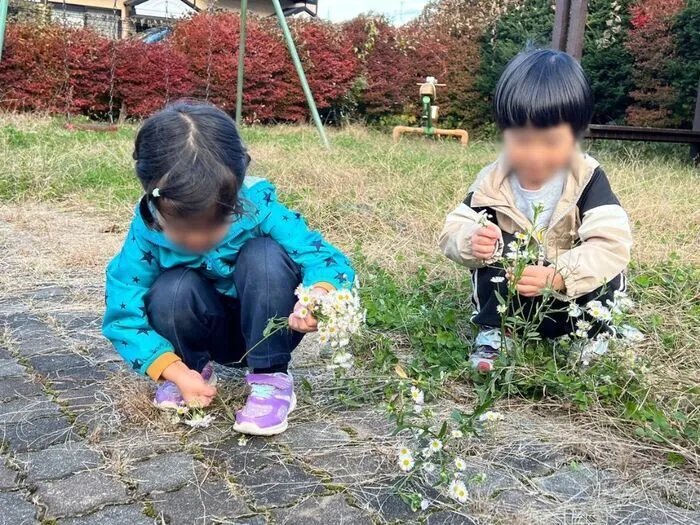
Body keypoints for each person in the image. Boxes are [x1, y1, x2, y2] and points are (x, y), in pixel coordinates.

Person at [102, 102, 355, 435]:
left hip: (270, 325)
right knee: (170, 288)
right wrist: (174, 371)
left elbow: (327, 259)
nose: (198, 239)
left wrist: (318, 295)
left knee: (264, 254)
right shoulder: (147, 235)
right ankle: (194, 370)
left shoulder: (261, 209)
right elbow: (123, 312)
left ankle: (271, 379)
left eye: (213, 224)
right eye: (182, 228)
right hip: (206, 333)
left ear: (236, 190)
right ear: (156, 199)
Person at [438, 49, 632, 372]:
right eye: (522, 141)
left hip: (571, 300)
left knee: (605, 271)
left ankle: (592, 336)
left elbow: (613, 244)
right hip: (515, 300)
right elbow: (453, 228)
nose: (535, 156)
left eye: (551, 142)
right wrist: (470, 240)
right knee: (495, 251)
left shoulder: (587, 179)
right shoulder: (493, 181)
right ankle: (498, 334)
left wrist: (559, 275)